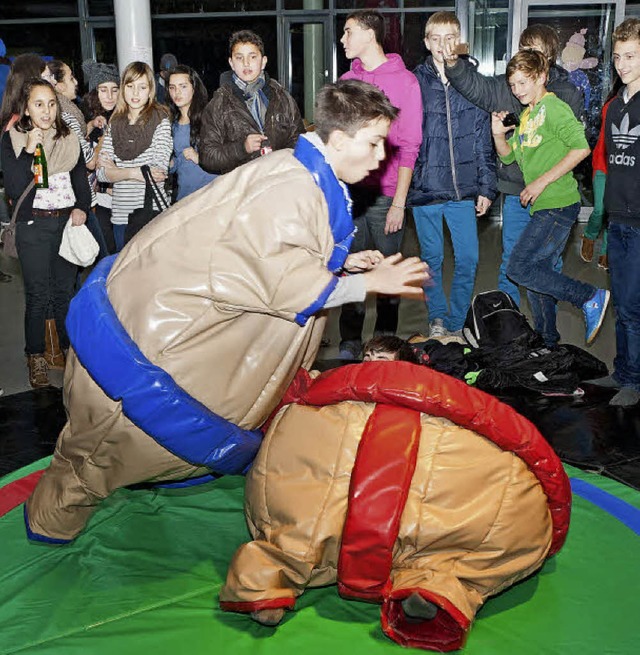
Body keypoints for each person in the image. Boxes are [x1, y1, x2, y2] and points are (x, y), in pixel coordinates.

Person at [25, 79, 430, 544]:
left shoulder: (295, 170)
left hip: (158, 344)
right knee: (94, 460)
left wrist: (340, 263)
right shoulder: (293, 190)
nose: (381, 157)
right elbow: (282, 279)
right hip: (151, 364)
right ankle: (46, 531)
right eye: (374, 143)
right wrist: (367, 284)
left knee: (104, 454)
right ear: (338, 140)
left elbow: (269, 250)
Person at [443, 24, 583, 308]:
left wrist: (543, 179)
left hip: (551, 194)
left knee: (547, 264)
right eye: (525, 49)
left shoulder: (565, 95)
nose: (529, 57)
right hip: (515, 191)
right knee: (512, 260)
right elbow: (475, 87)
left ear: (549, 59)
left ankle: (547, 335)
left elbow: (576, 147)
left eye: (536, 52)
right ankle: (508, 327)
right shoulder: (508, 85)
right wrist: (452, 64)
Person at [491, 50, 608, 348]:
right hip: (543, 207)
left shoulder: (553, 108)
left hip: (558, 204)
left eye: (523, 82)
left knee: (518, 268)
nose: (517, 91)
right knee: (536, 275)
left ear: (542, 77)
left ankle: (589, 296)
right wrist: (498, 135)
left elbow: (581, 147)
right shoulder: (529, 115)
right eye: (513, 85)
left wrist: (541, 182)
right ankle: (547, 342)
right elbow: (510, 159)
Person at [338, 9, 422, 360]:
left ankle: (384, 347)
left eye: (347, 32)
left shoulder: (405, 82)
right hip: (352, 197)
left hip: (387, 197)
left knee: (386, 277)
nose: (342, 39)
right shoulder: (346, 80)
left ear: (369, 34)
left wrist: (399, 203)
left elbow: (410, 145)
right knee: (351, 270)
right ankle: (349, 345)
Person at [409, 12, 496, 338]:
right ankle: (437, 318)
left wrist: (486, 187)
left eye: (450, 38)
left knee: (468, 258)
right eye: (436, 38)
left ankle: (457, 323)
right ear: (427, 42)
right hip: (426, 190)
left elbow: (482, 138)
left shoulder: (473, 80)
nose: (443, 45)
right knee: (430, 259)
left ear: (459, 40)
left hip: (463, 190)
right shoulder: (414, 81)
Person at [0, 79, 90, 388]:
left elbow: (80, 179)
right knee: (38, 297)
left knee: (64, 295)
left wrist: (82, 207)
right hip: (32, 227)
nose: (47, 111)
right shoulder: (13, 139)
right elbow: (12, 188)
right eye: (39, 104)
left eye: (52, 104)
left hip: (65, 224)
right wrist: (28, 151)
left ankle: (65, 352)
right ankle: (35, 356)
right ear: (25, 107)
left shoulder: (68, 138)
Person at [587, 18, 640, 407]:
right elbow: (607, 164)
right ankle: (623, 371)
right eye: (618, 56)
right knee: (622, 301)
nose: (622, 65)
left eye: (631, 56)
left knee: (634, 305)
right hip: (619, 219)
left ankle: (634, 379)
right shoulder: (612, 105)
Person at [199, 30, 304, 175]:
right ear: (231, 63)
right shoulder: (218, 105)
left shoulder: (282, 98)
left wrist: (280, 161)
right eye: (239, 58)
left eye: (252, 57)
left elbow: (298, 140)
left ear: (263, 61)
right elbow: (207, 156)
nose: (246, 63)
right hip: (241, 190)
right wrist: (242, 148)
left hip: (278, 184)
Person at [96, 61, 172, 252]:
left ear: (150, 90)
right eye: (130, 86)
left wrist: (116, 169)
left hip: (151, 213)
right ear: (123, 89)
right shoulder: (115, 123)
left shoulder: (160, 120)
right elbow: (101, 174)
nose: (135, 93)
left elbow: (158, 172)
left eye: (142, 87)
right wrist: (134, 172)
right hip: (120, 214)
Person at [43, 59, 108, 260]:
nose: (76, 82)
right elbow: (87, 160)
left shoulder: (63, 113)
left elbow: (76, 143)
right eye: (71, 77)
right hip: (76, 197)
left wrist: (88, 126)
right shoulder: (67, 115)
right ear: (59, 85)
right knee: (96, 257)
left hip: (68, 198)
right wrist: (103, 141)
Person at [0, 53, 46, 285]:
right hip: (33, 212)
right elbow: (20, 177)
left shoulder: (11, 116)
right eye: (45, 74)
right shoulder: (18, 124)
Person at [80, 60, 120, 254]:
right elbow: (90, 164)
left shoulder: (125, 117)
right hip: (98, 202)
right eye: (103, 90)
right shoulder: (85, 121)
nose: (110, 96)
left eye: (114, 89)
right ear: (95, 92)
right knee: (107, 253)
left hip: (125, 199)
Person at [167, 64, 217, 201]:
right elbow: (178, 162)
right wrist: (169, 164)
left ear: (194, 88)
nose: (177, 92)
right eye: (172, 87)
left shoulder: (209, 118)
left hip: (211, 195)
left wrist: (200, 158)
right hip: (185, 196)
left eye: (183, 86)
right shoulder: (172, 124)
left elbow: (225, 156)